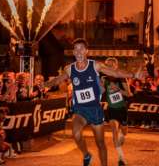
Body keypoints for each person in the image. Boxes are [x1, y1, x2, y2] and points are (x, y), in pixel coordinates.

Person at [44, 38, 146, 166]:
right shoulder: (69, 69)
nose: (79, 52)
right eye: (76, 49)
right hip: (80, 110)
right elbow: (58, 79)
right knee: (76, 133)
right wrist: (46, 84)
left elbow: (115, 72)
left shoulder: (95, 65)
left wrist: (133, 75)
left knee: (100, 143)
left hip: (95, 110)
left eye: (81, 49)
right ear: (74, 52)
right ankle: (87, 155)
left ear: (86, 51)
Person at [102, 57, 132, 166]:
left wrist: (118, 89)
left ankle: (122, 133)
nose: (109, 67)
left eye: (111, 65)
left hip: (122, 109)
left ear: (116, 66)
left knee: (124, 132)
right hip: (111, 109)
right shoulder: (104, 79)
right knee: (114, 131)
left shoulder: (122, 78)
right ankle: (121, 158)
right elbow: (101, 91)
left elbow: (129, 94)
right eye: (107, 65)